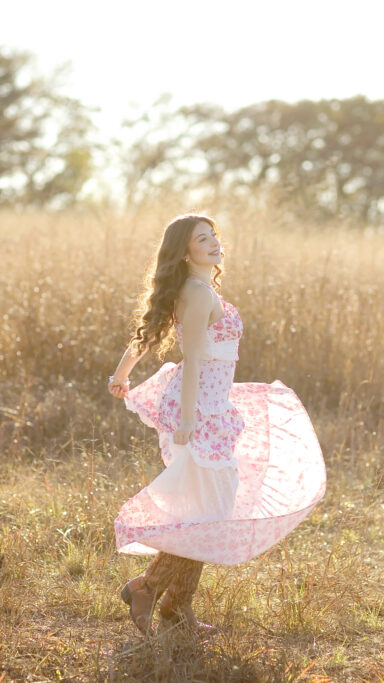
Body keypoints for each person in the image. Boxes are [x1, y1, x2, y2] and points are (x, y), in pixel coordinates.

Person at [107, 214, 325, 636]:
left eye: (213, 236)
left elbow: (149, 333)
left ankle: (175, 605)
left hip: (212, 405)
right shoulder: (197, 292)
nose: (213, 243)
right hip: (200, 410)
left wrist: (121, 374)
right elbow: (193, 361)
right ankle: (148, 589)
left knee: (206, 511)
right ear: (184, 251)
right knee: (207, 514)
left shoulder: (199, 289)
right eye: (201, 239)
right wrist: (189, 419)